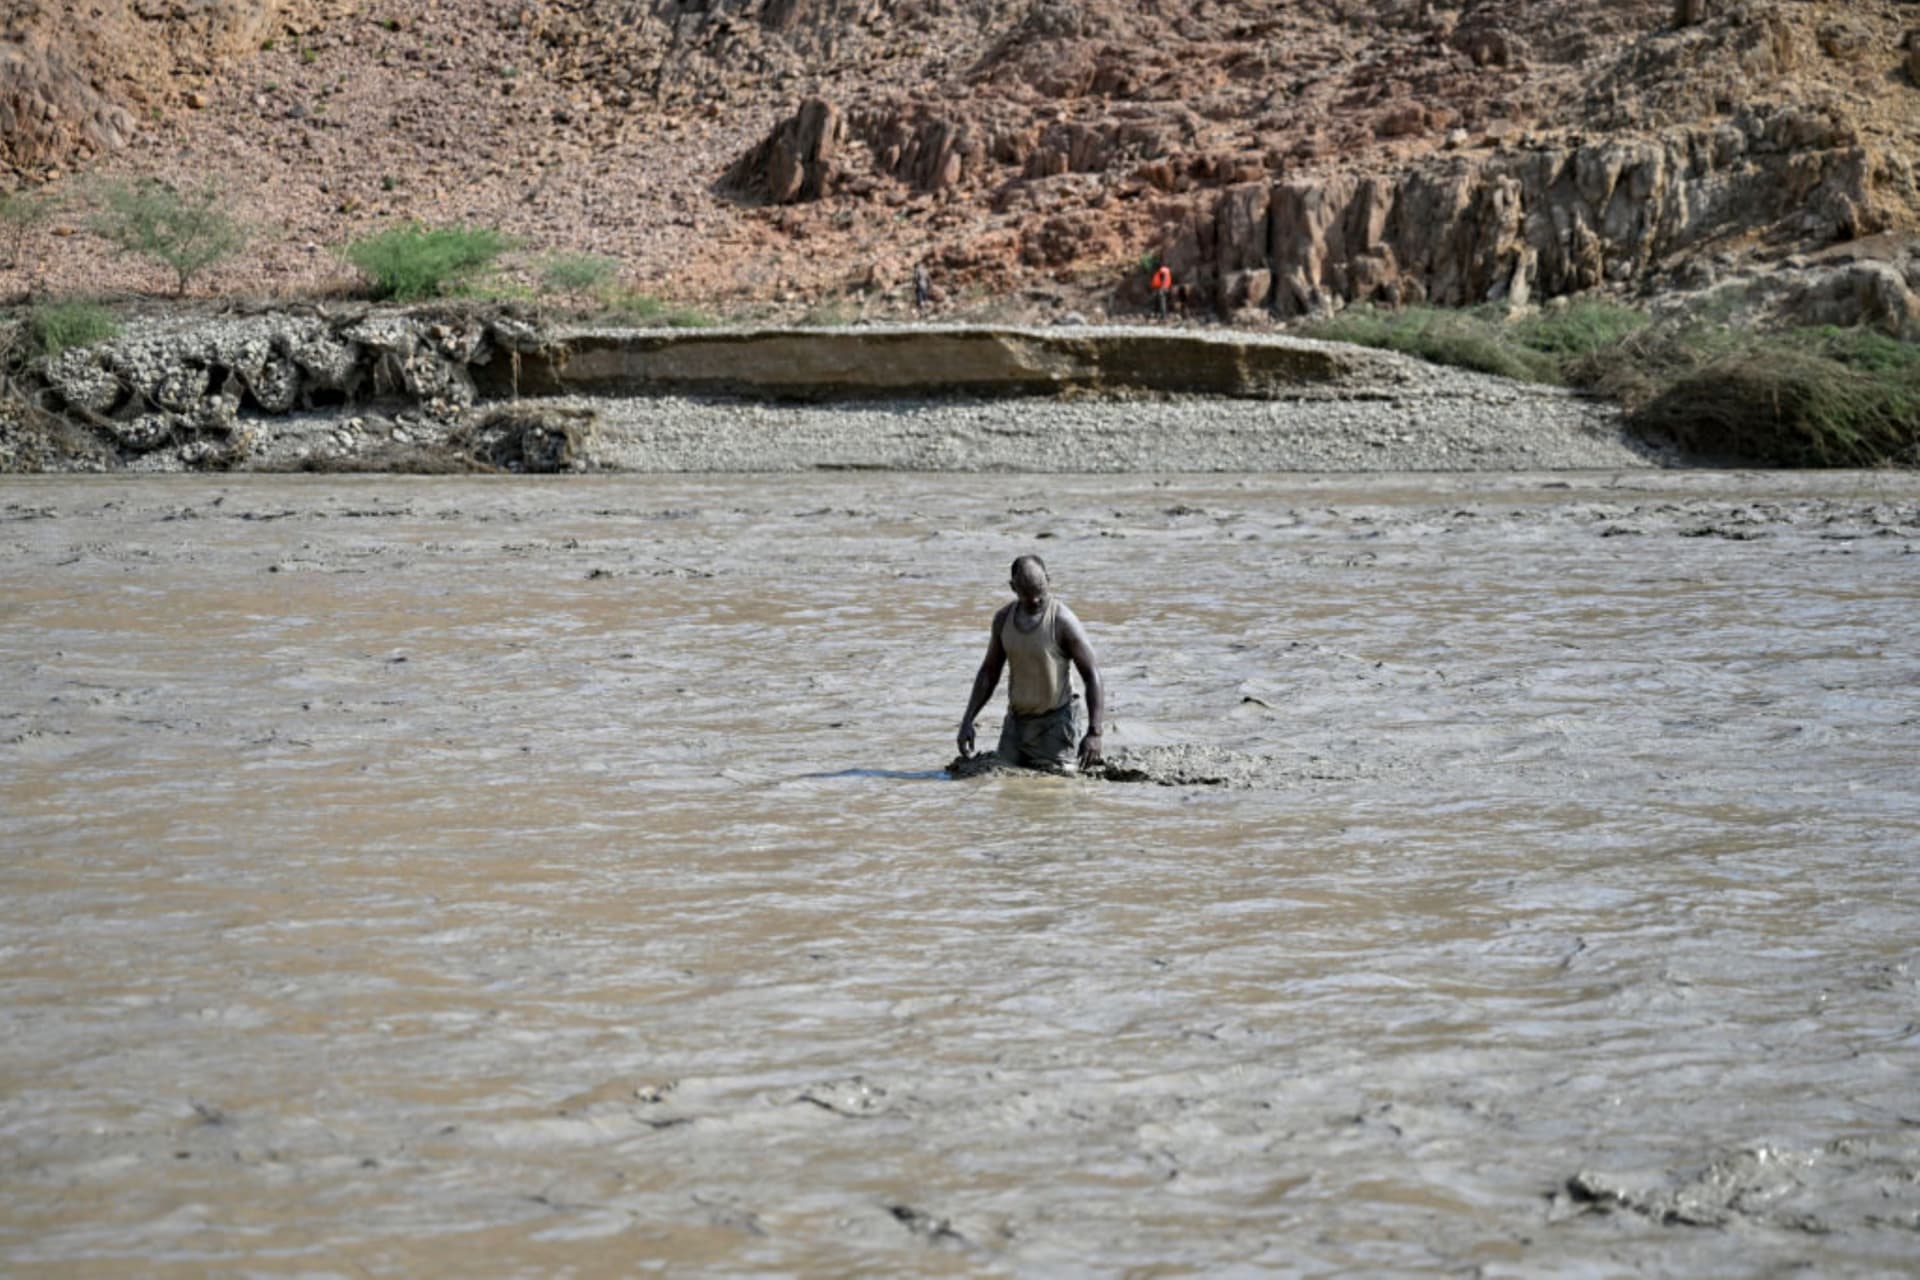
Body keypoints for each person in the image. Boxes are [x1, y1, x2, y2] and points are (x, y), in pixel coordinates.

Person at [957, 555, 1105, 771]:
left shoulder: (1062, 620)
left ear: (1048, 580)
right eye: (1027, 594)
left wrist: (1094, 733)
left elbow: (1092, 674)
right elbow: (989, 673)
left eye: (1040, 592)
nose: (1035, 600)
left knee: (1056, 786)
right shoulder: (1003, 620)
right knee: (1000, 782)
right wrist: (968, 720)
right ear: (1013, 588)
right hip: (1016, 725)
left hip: (1057, 723)